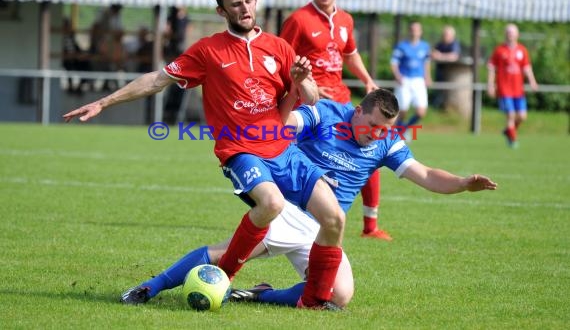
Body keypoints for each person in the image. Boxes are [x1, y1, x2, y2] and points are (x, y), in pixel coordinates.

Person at [63, 0, 346, 310]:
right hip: (241, 151)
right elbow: (156, 80)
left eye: (249, 1)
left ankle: (313, 300)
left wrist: (302, 80)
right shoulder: (208, 50)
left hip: (284, 149)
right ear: (221, 11)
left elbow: (311, 98)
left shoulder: (279, 47)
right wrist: (104, 101)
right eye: (235, 4)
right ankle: (223, 276)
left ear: (256, 1)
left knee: (335, 218)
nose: (244, 9)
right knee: (270, 204)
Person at [118, 89, 497, 309]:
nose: (377, 135)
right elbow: (288, 126)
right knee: (225, 254)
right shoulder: (328, 113)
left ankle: (259, 295)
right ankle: (150, 286)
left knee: (339, 296)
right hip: (293, 212)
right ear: (358, 110)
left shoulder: (386, 142)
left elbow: (427, 175)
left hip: (325, 232)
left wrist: (463, 182)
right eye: (373, 126)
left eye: (385, 130)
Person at [279, 0, 388, 241]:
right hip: (312, 105)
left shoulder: (346, 21)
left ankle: (370, 226)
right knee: (302, 157)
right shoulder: (298, 20)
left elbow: (350, 54)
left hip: (341, 101)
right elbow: (283, 58)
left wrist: (367, 80)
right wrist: (307, 87)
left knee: (369, 155)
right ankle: (284, 213)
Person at [486, 23, 538, 148]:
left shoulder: (522, 50)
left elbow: (526, 67)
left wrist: (532, 81)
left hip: (518, 90)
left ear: (517, 34)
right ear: (505, 34)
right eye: (508, 32)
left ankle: (509, 131)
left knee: (522, 116)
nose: (510, 34)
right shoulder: (499, 50)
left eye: (513, 32)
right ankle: (512, 141)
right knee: (510, 115)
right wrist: (490, 85)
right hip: (505, 89)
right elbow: (491, 68)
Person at [390, 21, 432, 135]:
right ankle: (398, 131)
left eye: (417, 30)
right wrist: (398, 76)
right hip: (405, 80)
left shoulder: (425, 46)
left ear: (420, 32)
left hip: (418, 80)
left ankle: (404, 129)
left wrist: (428, 77)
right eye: (412, 30)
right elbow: (394, 63)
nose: (415, 32)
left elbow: (426, 63)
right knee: (402, 110)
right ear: (409, 31)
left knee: (421, 112)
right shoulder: (402, 46)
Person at [431, 25, 461, 109]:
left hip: (451, 73)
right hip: (440, 71)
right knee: (438, 90)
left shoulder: (454, 44)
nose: (444, 36)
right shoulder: (440, 44)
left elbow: (454, 56)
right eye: (444, 34)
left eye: (446, 34)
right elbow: (433, 53)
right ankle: (437, 107)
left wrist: (440, 56)